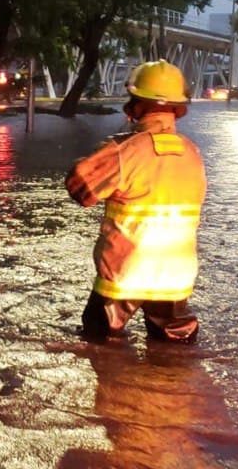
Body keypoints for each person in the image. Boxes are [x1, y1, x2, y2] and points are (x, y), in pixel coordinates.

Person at [65, 60, 207, 344]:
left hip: (125, 275)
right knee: (176, 352)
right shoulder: (193, 154)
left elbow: (79, 188)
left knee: (99, 345)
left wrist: (97, 156)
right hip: (176, 277)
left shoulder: (124, 150)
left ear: (138, 105)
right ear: (177, 108)